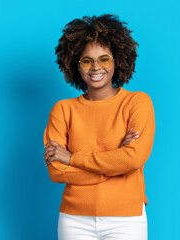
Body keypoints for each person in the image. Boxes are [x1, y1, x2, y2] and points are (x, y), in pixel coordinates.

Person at [43, 14, 155, 240]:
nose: (96, 67)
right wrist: (114, 165)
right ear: (76, 64)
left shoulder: (137, 103)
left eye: (104, 59)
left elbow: (133, 160)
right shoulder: (63, 110)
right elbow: (56, 171)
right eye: (87, 60)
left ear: (118, 61)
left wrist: (72, 158)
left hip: (126, 219)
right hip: (74, 219)